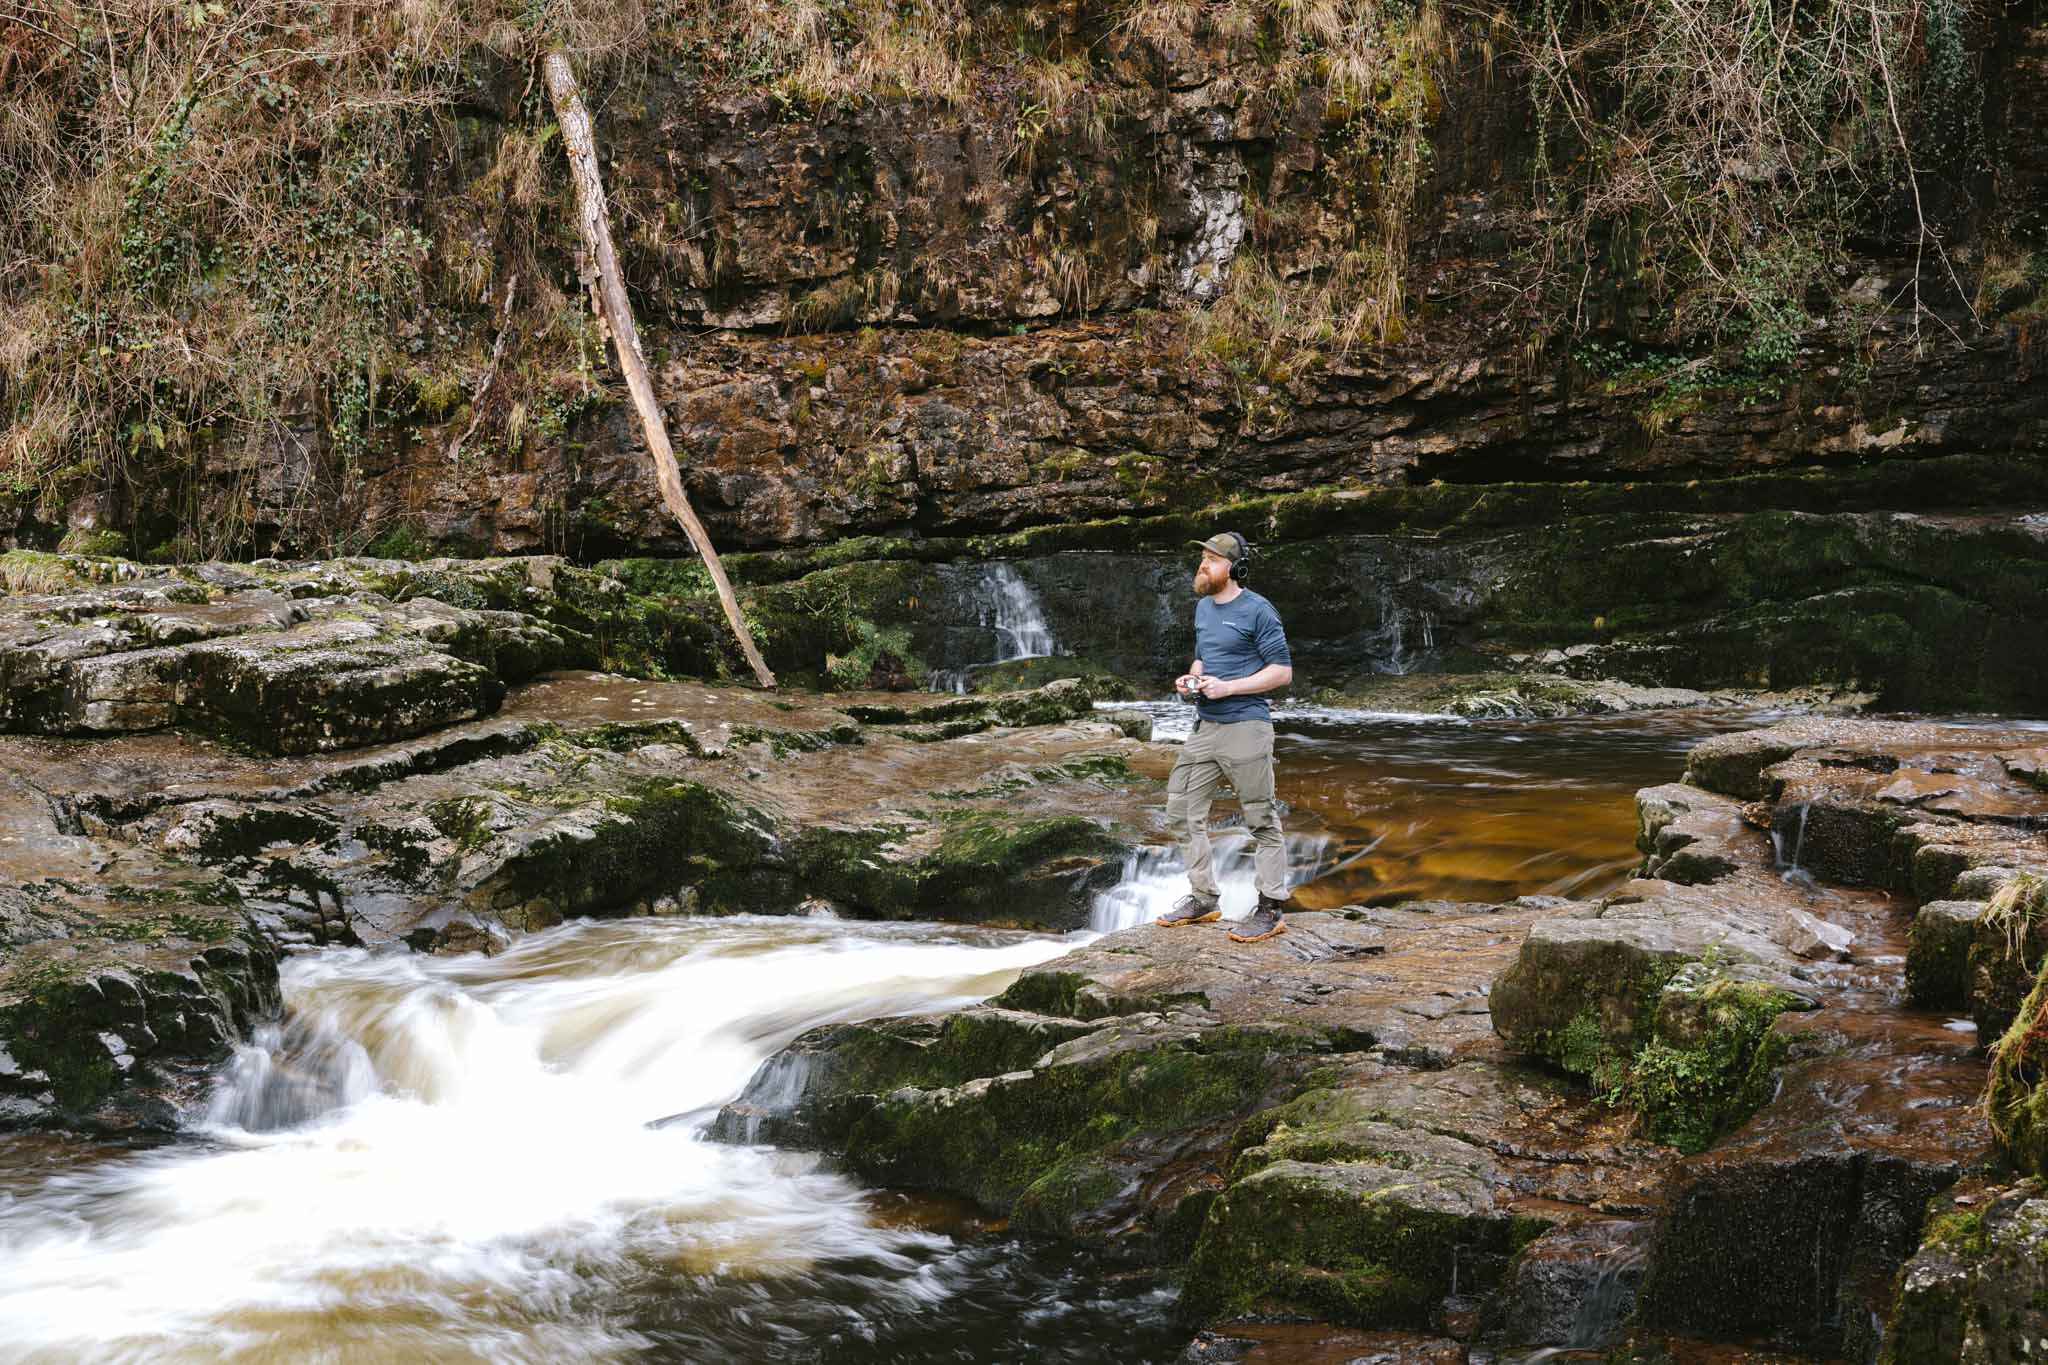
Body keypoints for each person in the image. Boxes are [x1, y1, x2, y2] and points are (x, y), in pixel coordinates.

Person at [1154, 531, 1295, 943]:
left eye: (1212, 560)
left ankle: (1270, 908)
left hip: (1246, 728)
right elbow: (1205, 656)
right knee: (1181, 813)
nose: (1203, 565)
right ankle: (1203, 898)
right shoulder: (1202, 608)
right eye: (1202, 557)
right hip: (1205, 728)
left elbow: (1282, 673)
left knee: (1261, 818)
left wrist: (1230, 687)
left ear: (1233, 568)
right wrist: (1193, 679)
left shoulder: (1258, 610)